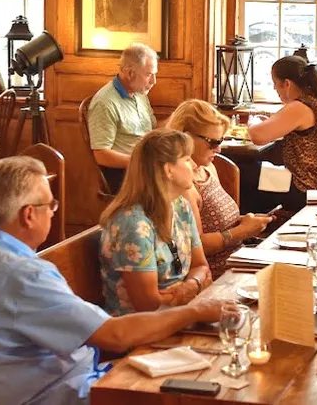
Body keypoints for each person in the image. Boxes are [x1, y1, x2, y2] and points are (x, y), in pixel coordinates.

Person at [0, 156, 223, 405]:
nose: (53, 210)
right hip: (54, 393)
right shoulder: (22, 274)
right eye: (50, 204)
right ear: (29, 215)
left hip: (36, 381)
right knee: (203, 386)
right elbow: (115, 336)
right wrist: (194, 312)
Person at [98, 129, 212, 316]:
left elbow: (201, 266)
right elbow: (148, 304)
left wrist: (192, 284)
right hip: (141, 329)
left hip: (178, 314)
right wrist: (187, 293)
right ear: (169, 170)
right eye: (187, 159)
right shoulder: (133, 225)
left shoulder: (181, 205)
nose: (194, 165)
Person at [167, 99, 272, 278]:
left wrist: (246, 222)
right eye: (212, 142)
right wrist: (242, 231)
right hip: (217, 275)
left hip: (238, 261)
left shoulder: (207, 168)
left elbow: (213, 223)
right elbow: (194, 246)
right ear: (185, 138)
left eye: (220, 141)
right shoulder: (182, 184)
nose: (219, 149)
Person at [247, 55, 317, 213]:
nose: (274, 89)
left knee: (243, 171)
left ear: (287, 84)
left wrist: (253, 121)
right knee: (254, 170)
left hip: (306, 188)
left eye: (275, 83)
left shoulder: (300, 106)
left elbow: (257, 136)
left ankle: (250, 228)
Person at [88, 43, 157, 193]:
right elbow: (101, 154)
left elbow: (153, 129)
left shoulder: (140, 94)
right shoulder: (105, 103)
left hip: (144, 166)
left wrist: (177, 119)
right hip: (123, 174)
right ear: (129, 73)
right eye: (149, 75)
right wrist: (141, 163)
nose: (153, 81)